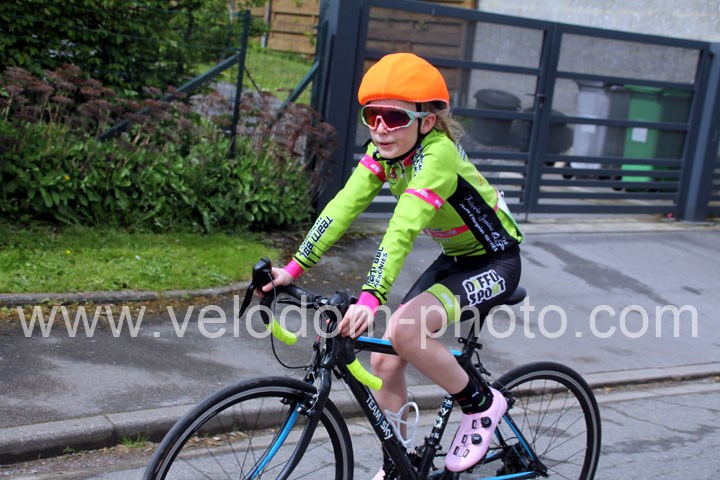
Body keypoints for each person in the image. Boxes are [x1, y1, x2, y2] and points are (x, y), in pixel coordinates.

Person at [260, 52, 523, 477]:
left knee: (404, 330)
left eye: (395, 117)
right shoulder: (384, 154)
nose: (381, 128)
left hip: (497, 261)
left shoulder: (437, 157)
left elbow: (403, 227)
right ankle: (400, 465)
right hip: (455, 260)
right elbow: (342, 208)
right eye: (372, 116)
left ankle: (481, 403)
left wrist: (371, 297)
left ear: (427, 121)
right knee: (384, 363)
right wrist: (290, 271)